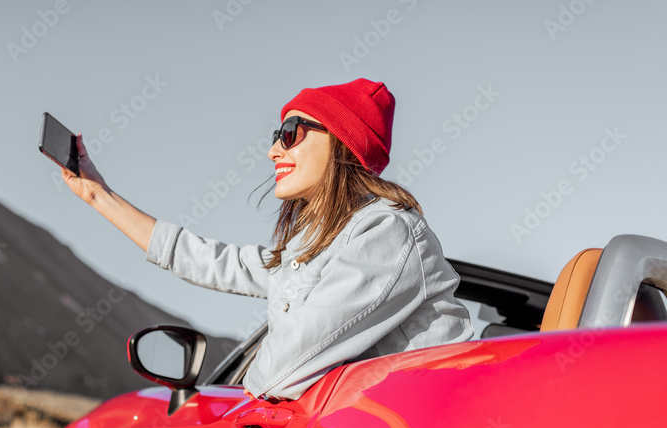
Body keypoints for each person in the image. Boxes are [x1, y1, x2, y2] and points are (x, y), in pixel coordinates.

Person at [58, 78, 475, 401]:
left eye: (290, 132)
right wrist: (98, 194)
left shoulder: (386, 235)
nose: (274, 150)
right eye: (277, 134)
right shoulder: (314, 246)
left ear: (342, 142)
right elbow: (209, 260)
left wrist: (233, 414)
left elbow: (287, 364)